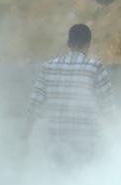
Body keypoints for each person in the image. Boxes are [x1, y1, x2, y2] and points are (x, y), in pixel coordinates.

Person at [26, 24, 112, 166]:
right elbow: (107, 108)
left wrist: (24, 138)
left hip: (56, 146)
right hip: (85, 146)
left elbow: (34, 106)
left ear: (68, 44)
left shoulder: (49, 67)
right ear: (88, 44)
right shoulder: (95, 68)